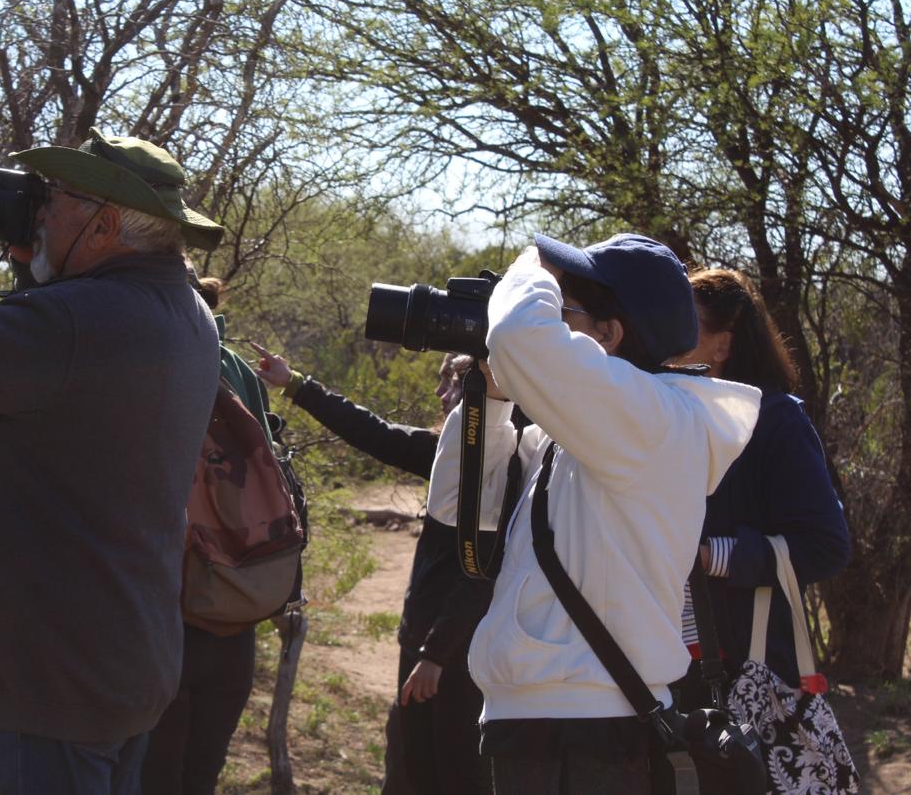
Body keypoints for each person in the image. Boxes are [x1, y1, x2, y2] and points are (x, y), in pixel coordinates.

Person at [0, 129, 223, 793]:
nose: (39, 210)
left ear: (105, 224)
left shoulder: (80, 323)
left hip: (45, 688)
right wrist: (39, 264)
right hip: (107, 669)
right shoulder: (179, 314)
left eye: (54, 199)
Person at [455, 235, 761, 793]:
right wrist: (495, 396)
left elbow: (519, 335)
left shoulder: (656, 420)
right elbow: (456, 506)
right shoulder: (581, 435)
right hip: (541, 720)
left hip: (593, 725)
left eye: (564, 307)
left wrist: (530, 268)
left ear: (608, 334)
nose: (551, 312)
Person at [252, 347, 499, 794]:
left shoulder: (493, 460)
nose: (441, 395)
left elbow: (479, 572)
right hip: (428, 647)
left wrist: (435, 655)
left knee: (451, 773)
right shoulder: (449, 450)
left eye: (454, 384)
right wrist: (296, 385)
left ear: (486, 393)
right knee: (407, 766)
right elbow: (375, 433)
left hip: (453, 657)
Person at [674, 268, 849, 702]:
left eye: (684, 321)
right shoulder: (671, 418)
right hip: (674, 672)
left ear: (724, 344)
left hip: (750, 674)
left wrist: (711, 558)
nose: (666, 332)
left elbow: (826, 546)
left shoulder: (777, 420)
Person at [142, 273, 276, 795]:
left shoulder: (149, 359)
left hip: (166, 603)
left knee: (153, 770)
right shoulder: (235, 369)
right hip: (234, 596)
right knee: (201, 769)